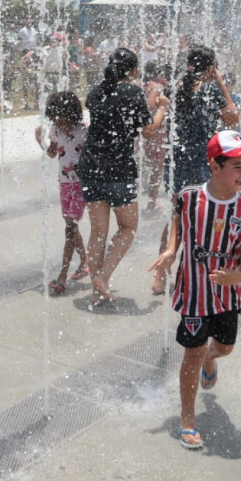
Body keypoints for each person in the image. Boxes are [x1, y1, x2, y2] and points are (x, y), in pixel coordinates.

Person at [149, 130, 241, 450]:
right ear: (214, 166)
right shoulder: (188, 196)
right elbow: (178, 223)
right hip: (194, 295)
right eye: (237, 167)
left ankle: (211, 360)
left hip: (227, 295)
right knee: (192, 354)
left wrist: (240, 275)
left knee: (224, 348)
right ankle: (188, 417)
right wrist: (171, 250)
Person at [78, 48, 169, 306]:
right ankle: (103, 278)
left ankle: (97, 292)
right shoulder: (131, 92)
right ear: (132, 70)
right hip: (117, 169)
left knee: (98, 231)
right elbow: (149, 130)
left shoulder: (96, 91)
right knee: (128, 227)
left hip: (90, 166)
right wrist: (162, 109)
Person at [154, 46, 240, 294]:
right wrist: (222, 83)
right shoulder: (212, 90)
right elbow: (232, 118)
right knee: (203, 218)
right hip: (204, 161)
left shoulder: (175, 87)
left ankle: (161, 274)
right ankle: (197, 277)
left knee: (176, 214)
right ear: (212, 68)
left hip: (178, 160)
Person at [34, 91, 89, 294]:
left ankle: (62, 276)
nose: (59, 122)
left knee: (71, 228)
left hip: (81, 186)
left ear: (74, 115)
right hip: (64, 183)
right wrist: (41, 142)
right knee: (70, 225)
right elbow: (52, 154)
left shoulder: (84, 131)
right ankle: (84, 261)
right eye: (55, 119)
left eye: (63, 119)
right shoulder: (55, 131)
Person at [142, 60, 171, 213]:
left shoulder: (147, 85)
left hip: (151, 133)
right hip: (157, 133)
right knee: (157, 170)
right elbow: (151, 104)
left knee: (153, 168)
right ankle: (151, 204)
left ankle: (150, 202)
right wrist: (162, 110)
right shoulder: (157, 87)